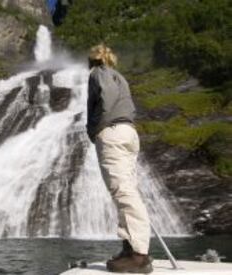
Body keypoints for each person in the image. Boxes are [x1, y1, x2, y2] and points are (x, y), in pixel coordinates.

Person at [85, 44, 153, 273]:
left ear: (91, 61)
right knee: (127, 190)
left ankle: (139, 256)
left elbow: (107, 98)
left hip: (112, 132)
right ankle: (129, 247)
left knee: (123, 192)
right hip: (128, 132)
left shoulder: (98, 73)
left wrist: (95, 127)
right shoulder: (119, 76)